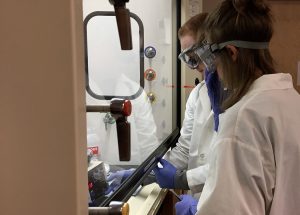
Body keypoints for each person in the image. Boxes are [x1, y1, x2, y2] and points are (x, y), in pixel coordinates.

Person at [187, 0, 300, 214]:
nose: (211, 70)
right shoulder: (291, 99)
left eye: (212, 59)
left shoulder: (243, 119)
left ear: (231, 53)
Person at [153, 12, 226, 214]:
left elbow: (230, 164)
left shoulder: (242, 98)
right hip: (198, 202)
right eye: (188, 60)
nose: (195, 67)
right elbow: (184, 150)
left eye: (195, 58)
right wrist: (145, 174)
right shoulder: (198, 94)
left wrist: (182, 179)